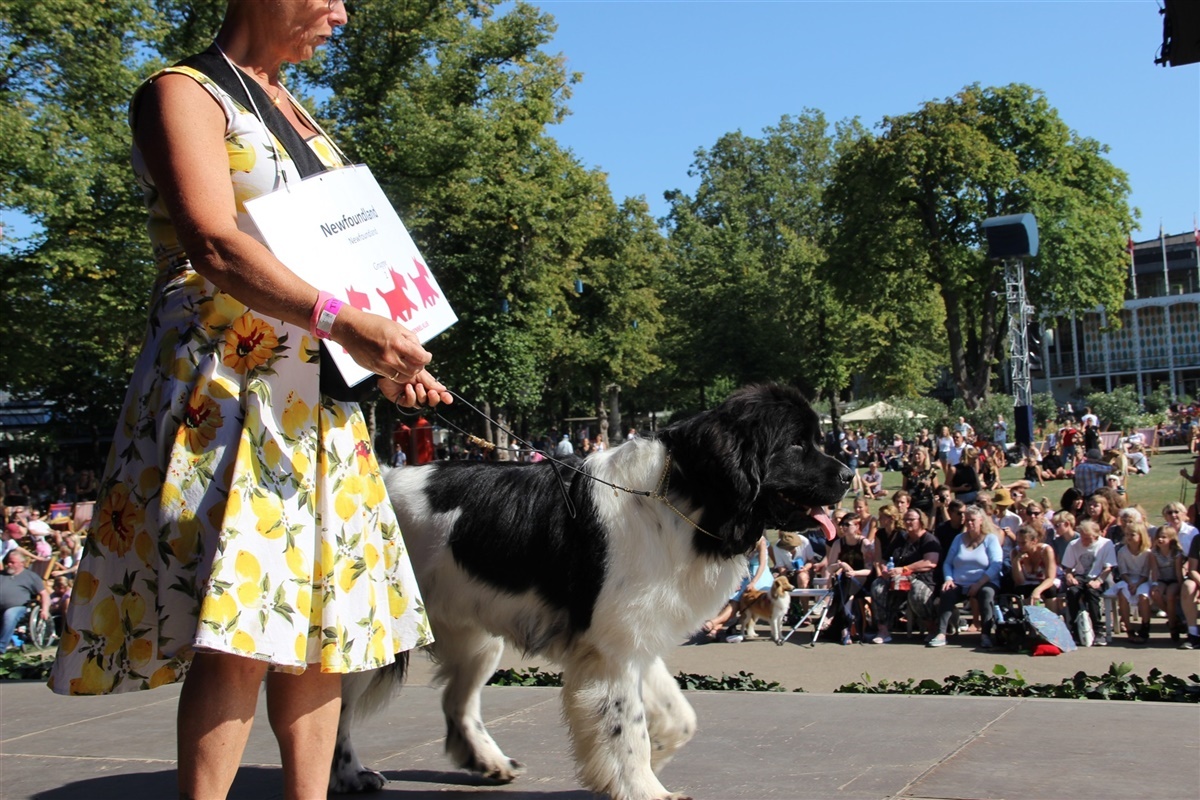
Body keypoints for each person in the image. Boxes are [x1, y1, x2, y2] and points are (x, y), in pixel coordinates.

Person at [46, 4, 447, 799]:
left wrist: (386, 359)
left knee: (317, 629)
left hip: (317, 398)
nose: (340, 13)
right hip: (229, 392)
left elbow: (339, 259)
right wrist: (347, 323)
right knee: (243, 624)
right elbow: (214, 242)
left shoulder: (301, 112)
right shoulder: (185, 93)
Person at [868, 508, 940, 644]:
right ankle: (883, 630)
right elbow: (885, 558)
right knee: (877, 586)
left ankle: (932, 628)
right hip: (896, 576)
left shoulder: (928, 539)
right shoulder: (901, 538)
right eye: (906, 519)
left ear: (921, 521)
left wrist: (905, 569)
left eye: (911, 519)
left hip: (921, 577)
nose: (908, 522)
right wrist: (884, 569)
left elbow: (930, 562)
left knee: (917, 592)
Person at [700, 534, 772, 641]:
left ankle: (713, 624)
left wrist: (753, 582)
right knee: (734, 599)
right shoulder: (742, 541)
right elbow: (739, 563)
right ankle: (714, 629)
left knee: (738, 600)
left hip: (760, 575)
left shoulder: (761, 541)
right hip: (745, 573)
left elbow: (762, 564)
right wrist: (737, 581)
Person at [820, 513, 874, 645]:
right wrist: (840, 565)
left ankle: (831, 615)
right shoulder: (839, 543)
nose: (843, 527)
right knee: (845, 583)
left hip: (861, 579)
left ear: (856, 526)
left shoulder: (864, 543)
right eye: (841, 524)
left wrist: (854, 572)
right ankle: (845, 629)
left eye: (846, 525)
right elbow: (829, 568)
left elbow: (869, 570)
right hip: (844, 581)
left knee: (847, 580)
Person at [1061, 520, 1117, 645]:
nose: (1084, 542)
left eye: (1088, 539)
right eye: (1082, 537)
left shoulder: (1106, 544)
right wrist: (1069, 577)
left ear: (1096, 536)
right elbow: (1068, 568)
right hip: (1080, 576)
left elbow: (1108, 567)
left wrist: (1098, 581)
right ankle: (1074, 630)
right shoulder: (1073, 544)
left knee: (1092, 593)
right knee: (1072, 592)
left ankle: (1098, 631)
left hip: (1099, 575)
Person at [1111, 518, 1153, 644]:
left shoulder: (1147, 553)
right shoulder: (1122, 551)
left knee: (1143, 597)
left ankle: (1145, 627)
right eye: (1127, 534)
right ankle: (1129, 629)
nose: (1129, 537)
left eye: (1132, 535)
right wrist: (1130, 583)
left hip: (1142, 581)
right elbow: (1123, 572)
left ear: (1141, 536)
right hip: (1128, 579)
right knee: (1122, 595)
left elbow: (1146, 573)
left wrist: (1137, 584)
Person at [1, 551, 51, 651]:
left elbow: (44, 594)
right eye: (8, 562)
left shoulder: (30, 576)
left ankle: (1, 647)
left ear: (21, 563)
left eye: (12, 562)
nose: (9, 564)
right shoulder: (1, 575)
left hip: (20, 608)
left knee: (10, 614)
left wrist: (45, 610)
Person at [1148, 525, 1184, 643]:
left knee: (1170, 595)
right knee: (1155, 593)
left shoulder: (1176, 553)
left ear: (1171, 538)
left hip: (1173, 579)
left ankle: (1173, 626)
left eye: (1164, 537)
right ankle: (1173, 617)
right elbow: (1154, 570)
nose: (1160, 539)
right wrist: (1154, 583)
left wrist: (1180, 585)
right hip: (1161, 579)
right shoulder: (1154, 552)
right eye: (1158, 537)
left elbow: (1179, 571)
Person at [1011, 525, 1060, 612]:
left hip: (1045, 582)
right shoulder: (1015, 552)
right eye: (1018, 542)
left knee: (1051, 590)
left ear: (1034, 541)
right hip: (1027, 583)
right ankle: (1028, 620)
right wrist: (1016, 562)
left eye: (1023, 543)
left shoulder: (1045, 550)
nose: (1020, 546)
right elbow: (1019, 581)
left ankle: (1052, 619)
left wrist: (1037, 591)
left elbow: (1050, 578)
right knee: (1021, 590)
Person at [902, 447, 938, 517]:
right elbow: (904, 488)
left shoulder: (930, 471)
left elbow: (936, 489)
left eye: (918, 454)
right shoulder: (908, 470)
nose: (916, 456)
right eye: (915, 454)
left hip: (927, 502)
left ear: (924, 456)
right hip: (912, 502)